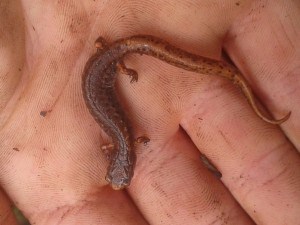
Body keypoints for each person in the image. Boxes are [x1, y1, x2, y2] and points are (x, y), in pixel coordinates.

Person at [0, 0, 299, 224]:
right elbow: (113, 145)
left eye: (119, 176)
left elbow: (130, 141)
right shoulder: (116, 143)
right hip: (103, 56)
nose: (118, 180)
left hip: (108, 61)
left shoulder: (129, 140)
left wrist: (123, 67)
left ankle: (225, 76)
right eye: (120, 176)